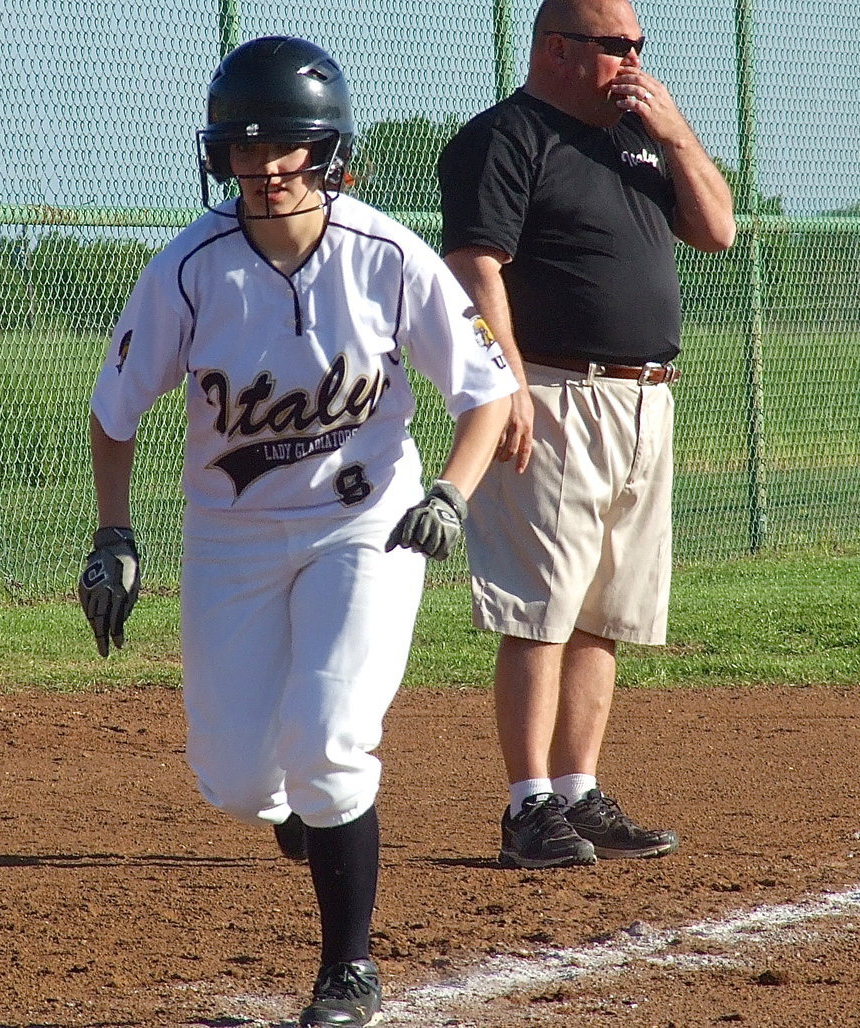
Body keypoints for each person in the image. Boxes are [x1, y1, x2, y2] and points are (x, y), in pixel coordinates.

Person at [77, 36, 515, 1028]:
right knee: (235, 778)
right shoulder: (191, 269)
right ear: (217, 155)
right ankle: (295, 815)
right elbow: (115, 412)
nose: (267, 171)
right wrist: (114, 533)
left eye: (289, 152)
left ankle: (346, 970)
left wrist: (447, 491)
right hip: (231, 538)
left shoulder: (388, 255)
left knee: (329, 739)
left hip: (365, 524)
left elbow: (485, 392)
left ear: (330, 154)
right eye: (245, 152)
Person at [437, 0, 736, 870]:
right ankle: (527, 805)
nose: (634, 61)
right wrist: (504, 382)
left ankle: (577, 790)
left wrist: (677, 135)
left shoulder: (636, 139)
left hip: (645, 399)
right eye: (616, 46)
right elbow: (473, 264)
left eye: (641, 45)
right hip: (555, 392)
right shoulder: (505, 138)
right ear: (558, 50)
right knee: (540, 608)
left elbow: (716, 231)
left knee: (603, 611)